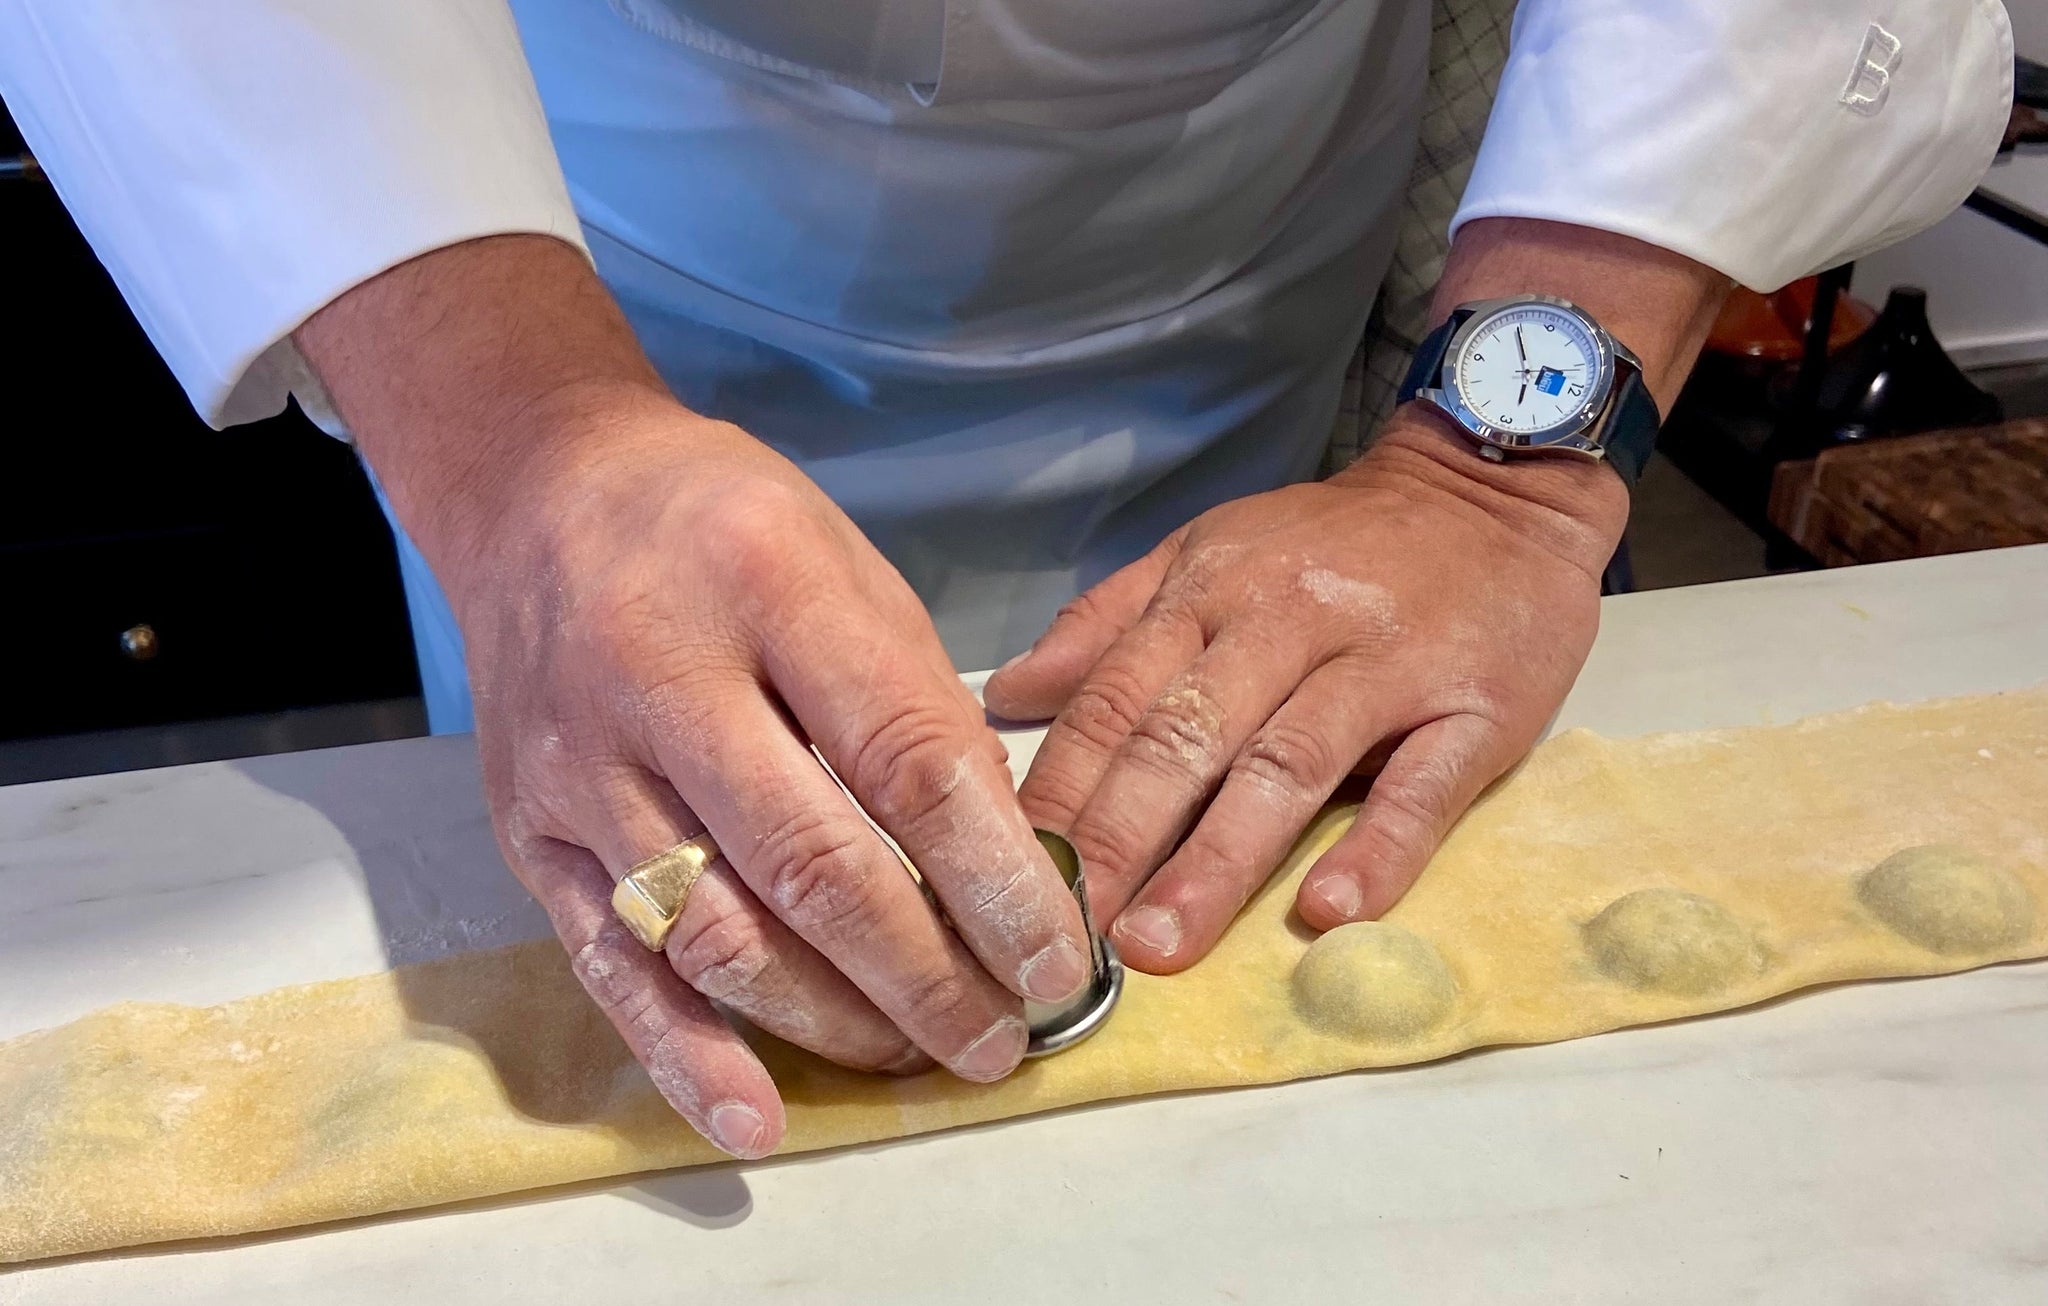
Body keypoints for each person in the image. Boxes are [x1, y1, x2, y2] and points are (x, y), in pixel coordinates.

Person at [0, 0, 2009, 1159]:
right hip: (555, 209)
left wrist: (1494, 470)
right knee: (656, 900)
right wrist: (528, 453)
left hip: (1245, 184)